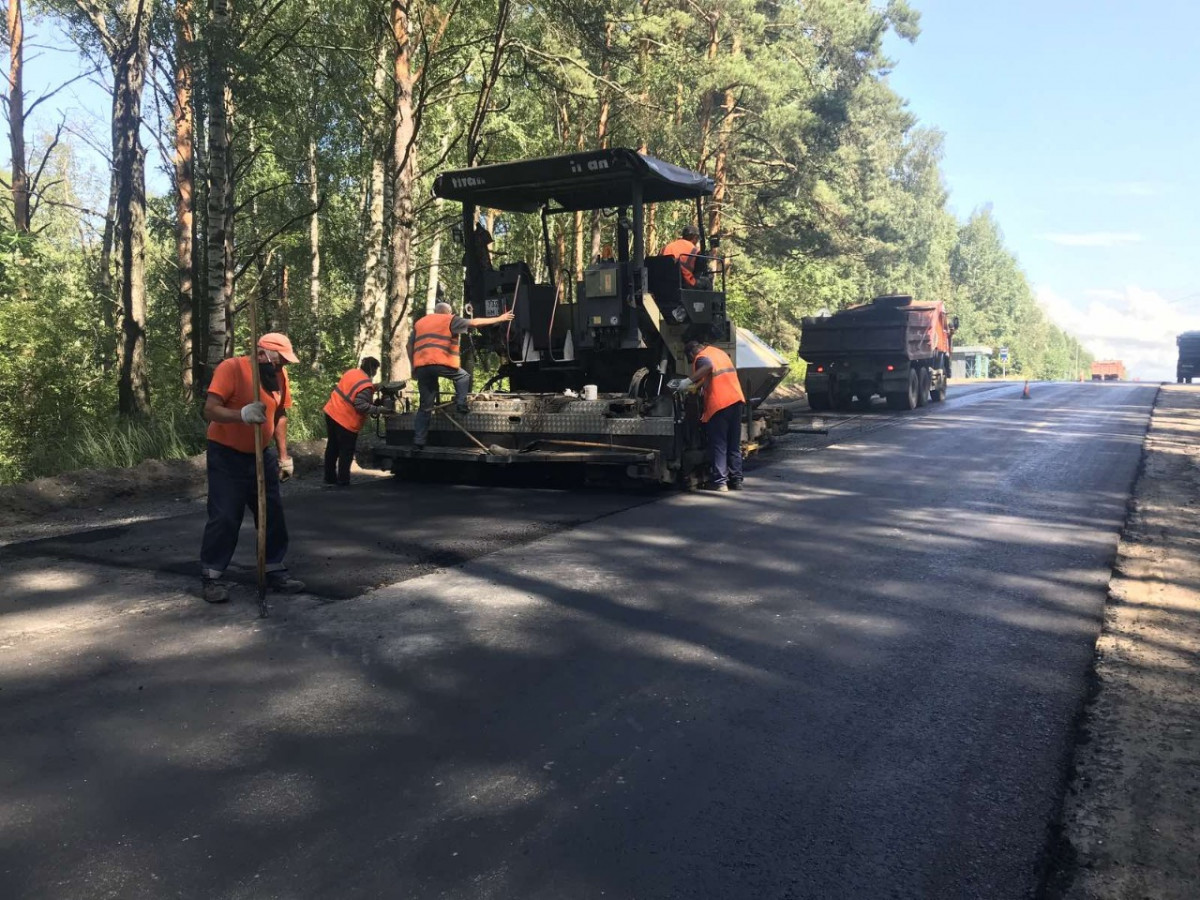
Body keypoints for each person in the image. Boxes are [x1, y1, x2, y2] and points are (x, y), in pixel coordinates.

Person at [198, 332, 305, 603]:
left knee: (271, 512)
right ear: (262, 354)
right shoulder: (231, 368)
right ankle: (211, 576)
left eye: (285, 363)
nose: (282, 367)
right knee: (225, 515)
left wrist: (284, 456)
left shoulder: (278, 377)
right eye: (279, 361)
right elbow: (210, 410)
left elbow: (280, 415)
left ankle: (274, 568)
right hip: (225, 454)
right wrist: (241, 415)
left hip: (261, 453)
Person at [410, 302, 514, 448]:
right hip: (440, 362)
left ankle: (419, 441)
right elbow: (475, 322)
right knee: (462, 376)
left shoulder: (420, 323)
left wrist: (413, 367)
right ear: (448, 311)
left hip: (422, 367)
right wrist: (500, 318)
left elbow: (409, 346)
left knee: (425, 407)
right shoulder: (450, 319)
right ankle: (461, 405)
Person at [668, 334, 747, 492]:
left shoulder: (702, 357)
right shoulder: (718, 352)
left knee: (719, 444)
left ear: (692, 354)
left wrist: (687, 381)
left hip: (719, 405)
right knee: (733, 444)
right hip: (736, 401)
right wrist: (696, 387)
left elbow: (707, 367)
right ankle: (737, 481)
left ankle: (721, 482)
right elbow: (713, 375)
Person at [322, 356, 391, 487]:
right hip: (346, 420)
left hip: (331, 412)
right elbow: (361, 405)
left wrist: (375, 387)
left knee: (332, 447)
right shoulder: (366, 385)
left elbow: (353, 389)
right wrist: (380, 410)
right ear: (373, 369)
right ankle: (343, 480)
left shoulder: (352, 373)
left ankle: (329, 477)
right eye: (376, 369)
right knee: (346, 451)